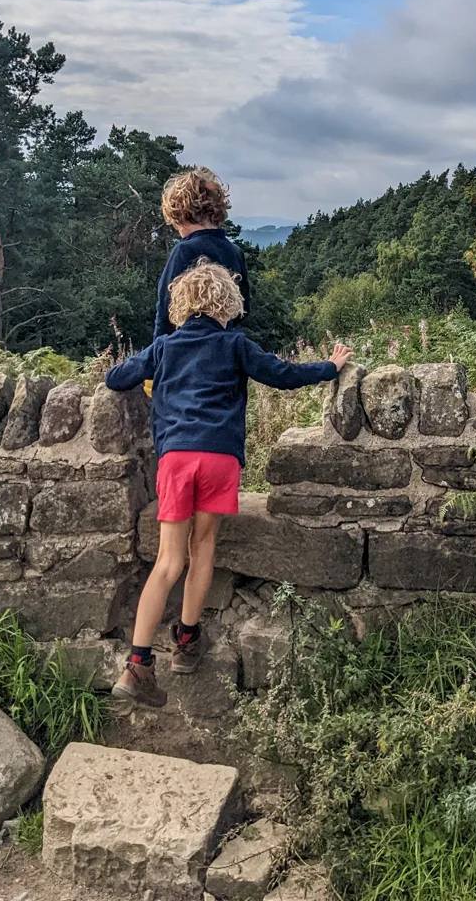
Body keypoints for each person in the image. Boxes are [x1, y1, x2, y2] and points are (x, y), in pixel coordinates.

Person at [105, 258, 352, 707]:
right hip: (218, 457)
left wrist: (151, 373)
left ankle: (137, 665)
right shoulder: (236, 344)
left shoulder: (164, 347)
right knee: (204, 548)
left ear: (180, 304)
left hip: (176, 458)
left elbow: (115, 377)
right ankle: (186, 642)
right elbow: (283, 374)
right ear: (228, 303)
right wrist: (330, 368)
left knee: (167, 561)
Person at [154, 167, 250, 339]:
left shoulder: (183, 251)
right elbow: (243, 309)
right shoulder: (235, 252)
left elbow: (165, 310)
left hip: (186, 347)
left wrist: (158, 355)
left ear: (179, 213)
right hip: (225, 342)